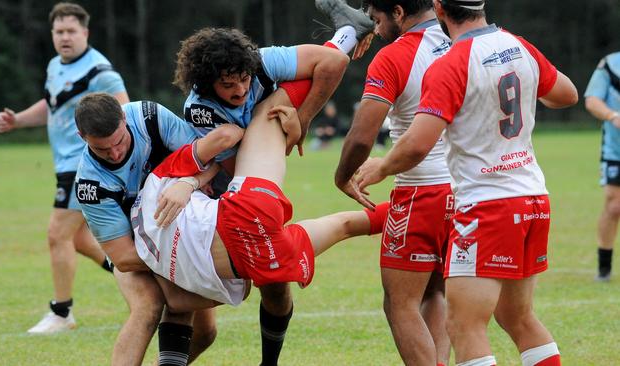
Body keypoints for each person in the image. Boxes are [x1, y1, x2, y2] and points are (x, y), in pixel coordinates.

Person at [354, 0, 578, 365]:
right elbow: (566, 94)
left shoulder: (453, 63)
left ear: (439, 8)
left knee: (464, 326)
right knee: (517, 317)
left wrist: (382, 167)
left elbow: (417, 143)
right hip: (533, 197)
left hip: (487, 205)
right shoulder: (516, 44)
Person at [172, 16, 373, 365]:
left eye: (245, 80)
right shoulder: (201, 110)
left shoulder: (262, 60)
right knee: (197, 318)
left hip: (257, 166)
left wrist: (303, 118)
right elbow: (237, 169)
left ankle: (269, 363)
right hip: (219, 182)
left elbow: (334, 63)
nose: (239, 90)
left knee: (276, 282)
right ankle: (350, 29)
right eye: (228, 85)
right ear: (207, 84)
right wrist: (277, 131)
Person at [0, 2, 128, 334]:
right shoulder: (56, 66)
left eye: (71, 31)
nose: (65, 37)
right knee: (80, 240)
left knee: (57, 235)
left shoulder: (101, 74)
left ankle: (61, 312)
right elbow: (53, 105)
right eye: (59, 31)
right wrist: (18, 121)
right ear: (52, 34)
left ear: (85, 33)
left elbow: (126, 115)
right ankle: (142, 275)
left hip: (84, 165)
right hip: (64, 165)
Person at [334, 1, 451, 364]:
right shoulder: (462, 42)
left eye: (377, 17)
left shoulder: (395, 55)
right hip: (469, 188)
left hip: (422, 190)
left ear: (399, 12)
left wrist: (342, 176)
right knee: (435, 291)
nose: (374, 25)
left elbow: (361, 137)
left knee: (400, 303)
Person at [74, 93, 224, 365]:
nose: (115, 153)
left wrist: (189, 183)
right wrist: (184, 256)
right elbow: (123, 258)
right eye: (102, 149)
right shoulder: (90, 185)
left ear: (124, 118)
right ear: (81, 136)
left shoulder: (149, 117)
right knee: (148, 306)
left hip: (181, 233)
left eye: (119, 141)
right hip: (138, 255)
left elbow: (209, 157)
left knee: (205, 333)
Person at [584, 52, 620, 282]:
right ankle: (604, 267)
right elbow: (592, 100)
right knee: (614, 205)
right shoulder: (609, 64)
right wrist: (612, 115)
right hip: (616, 151)